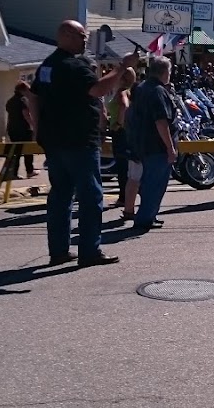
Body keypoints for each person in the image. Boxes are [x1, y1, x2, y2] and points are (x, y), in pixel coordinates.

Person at [29, 20, 139, 267]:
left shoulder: (47, 66)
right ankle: (89, 251)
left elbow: (33, 98)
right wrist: (122, 66)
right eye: (82, 36)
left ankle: (58, 251)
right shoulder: (74, 66)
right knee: (91, 197)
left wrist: (37, 130)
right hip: (79, 141)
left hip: (54, 143)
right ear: (66, 35)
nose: (85, 40)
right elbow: (98, 89)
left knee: (60, 196)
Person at [126, 56, 178, 232]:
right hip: (156, 146)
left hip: (142, 143)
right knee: (155, 184)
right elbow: (161, 122)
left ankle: (150, 215)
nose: (169, 75)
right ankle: (145, 218)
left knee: (149, 183)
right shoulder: (157, 91)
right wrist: (170, 148)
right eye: (169, 71)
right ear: (164, 72)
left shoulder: (140, 88)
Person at [107, 67, 137, 208]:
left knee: (122, 166)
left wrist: (118, 123)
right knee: (124, 166)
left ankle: (123, 198)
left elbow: (124, 107)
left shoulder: (121, 92)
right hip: (126, 132)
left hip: (120, 132)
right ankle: (124, 197)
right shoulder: (129, 91)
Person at [5, 82, 37, 179]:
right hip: (23, 129)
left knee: (15, 151)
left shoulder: (10, 101)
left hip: (12, 129)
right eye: (27, 89)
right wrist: (34, 125)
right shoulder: (23, 100)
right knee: (28, 150)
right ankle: (29, 171)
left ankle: (13, 173)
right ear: (22, 90)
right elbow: (26, 114)